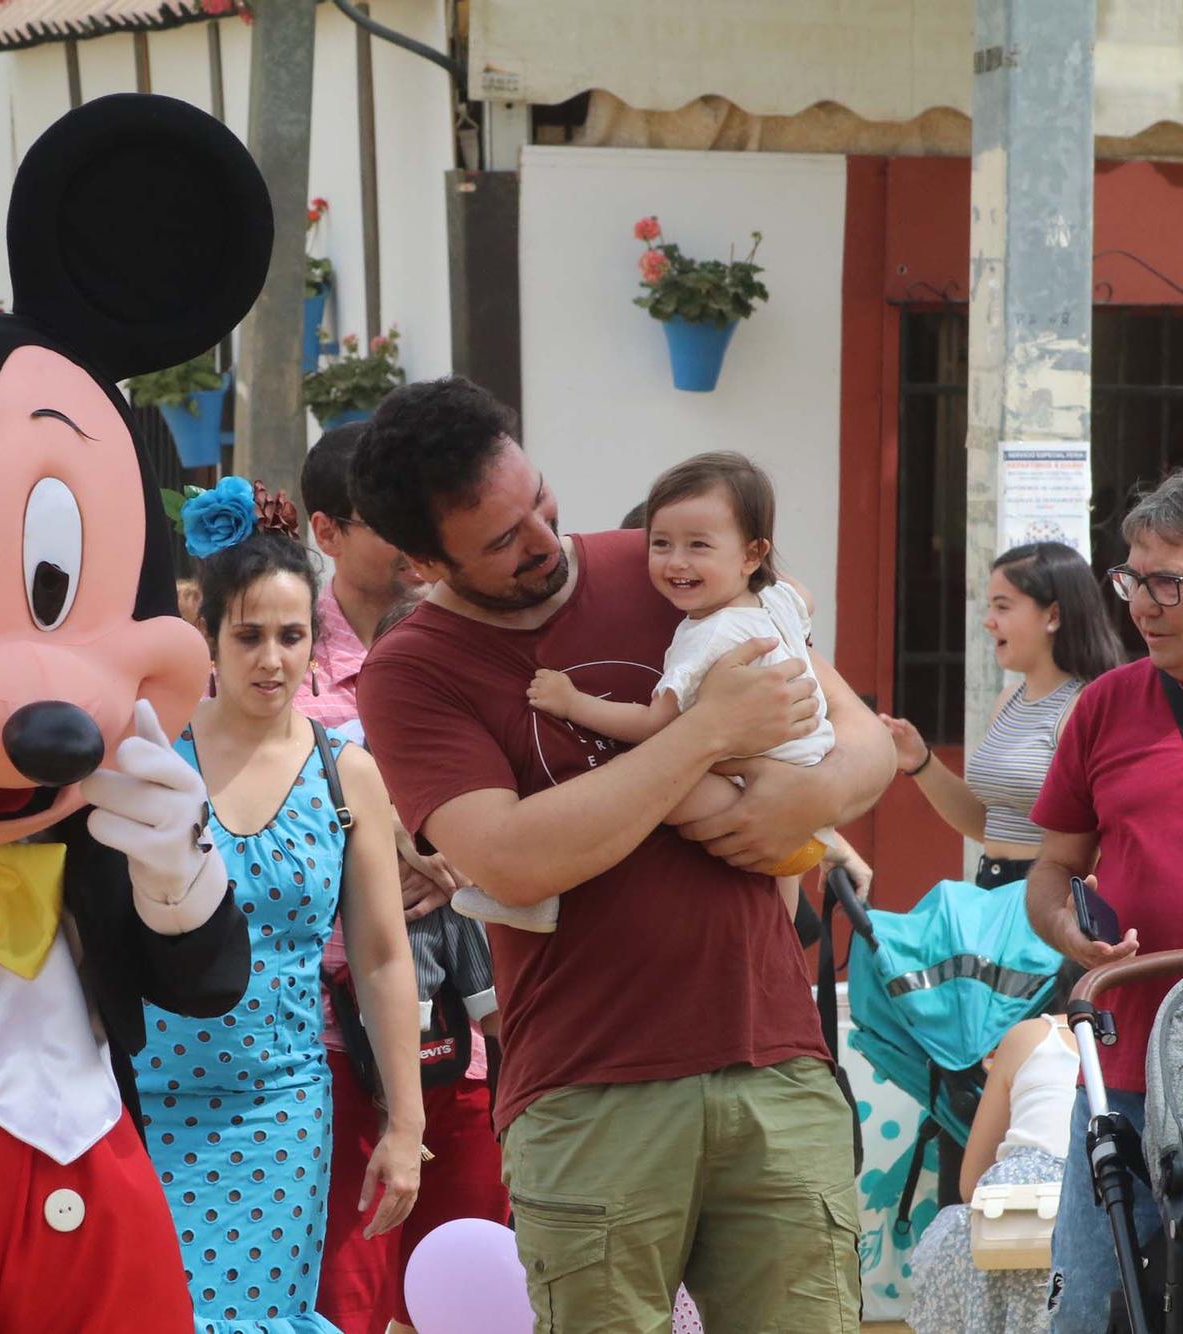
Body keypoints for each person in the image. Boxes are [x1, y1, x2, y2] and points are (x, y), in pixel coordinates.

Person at [351, 377, 896, 1332]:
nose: (545, 543)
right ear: (425, 562)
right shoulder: (413, 673)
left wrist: (800, 803)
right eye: (503, 540)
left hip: (775, 1064)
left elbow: (865, 742)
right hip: (590, 1092)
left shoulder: (669, 568)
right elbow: (513, 859)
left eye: (542, 503)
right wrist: (701, 736)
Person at [141, 480, 425, 1331]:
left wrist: (404, 1125)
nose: (272, 658)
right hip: (143, 1104)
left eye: (292, 636)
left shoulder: (349, 772)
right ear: (210, 639)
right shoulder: (153, 759)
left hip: (281, 1111)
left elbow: (380, 957)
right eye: (250, 635)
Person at [1024, 465, 1183, 1334]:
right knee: (1092, 1306)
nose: (1141, 603)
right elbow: (1052, 870)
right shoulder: (1107, 706)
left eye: (1169, 581)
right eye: (1131, 579)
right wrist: (1069, 935)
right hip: (1123, 1075)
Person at [299, 427, 509, 1334]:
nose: (420, 548)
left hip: (473, 1017)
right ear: (327, 532)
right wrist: (384, 847)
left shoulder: (483, 649)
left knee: (474, 1290)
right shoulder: (286, 666)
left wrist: (460, 857)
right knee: (346, 1298)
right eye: (390, 524)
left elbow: (531, 808)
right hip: (330, 1037)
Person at [504, 451, 835, 932]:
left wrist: (571, 701)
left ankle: (541, 894)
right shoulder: (776, 598)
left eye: (698, 545)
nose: (676, 562)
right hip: (807, 782)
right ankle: (777, 948)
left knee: (632, 784)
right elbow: (805, 596)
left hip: (754, 792)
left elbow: (653, 724)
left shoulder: (710, 635)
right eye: (660, 544)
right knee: (777, 918)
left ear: (752, 554)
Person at [880, 542, 1122, 889]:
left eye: (1003, 607)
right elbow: (988, 822)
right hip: (992, 889)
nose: (988, 621)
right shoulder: (1009, 700)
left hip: (1050, 900)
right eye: (989, 605)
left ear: (1052, 616)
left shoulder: (1086, 707)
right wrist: (920, 761)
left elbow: (1109, 835)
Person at [907, 1014, 1078, 1334]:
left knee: (971, 1230)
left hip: (1015, 1214)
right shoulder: (1148, 1033)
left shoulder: (1029, 1036)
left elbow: (970, 1183)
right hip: (1103, 1208)